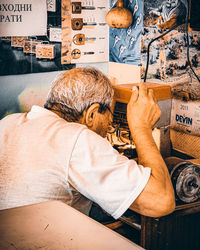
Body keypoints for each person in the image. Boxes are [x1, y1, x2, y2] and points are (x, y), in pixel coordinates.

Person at [0, 67, 175, 219]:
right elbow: (161, 202)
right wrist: (141, 127)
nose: (109, 128)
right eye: (110, 118)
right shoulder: (76, 138)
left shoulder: (8, 123)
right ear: (92, 115)